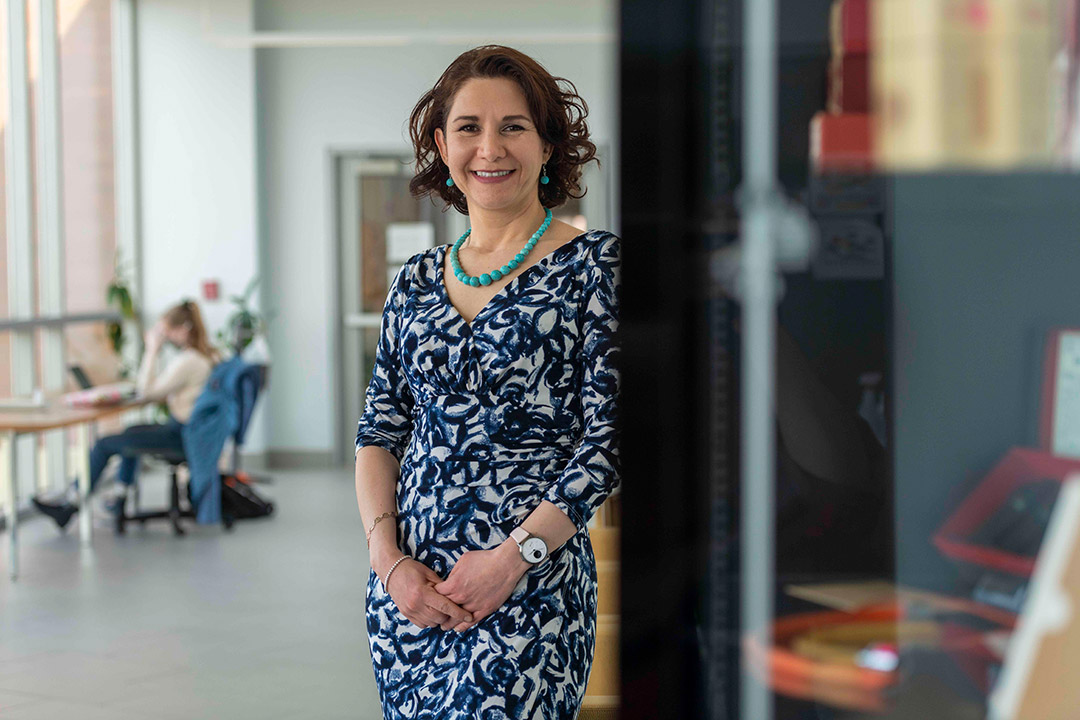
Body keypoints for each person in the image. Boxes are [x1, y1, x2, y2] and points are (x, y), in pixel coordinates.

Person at [354, 46, 620, 719]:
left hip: (529, 591)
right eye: (469, 127)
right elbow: (379, 431)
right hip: (410, 598)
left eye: (514, 126)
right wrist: (389, 564)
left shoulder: (597, 267)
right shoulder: (415, 279)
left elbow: (609, 441)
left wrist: (512, 557)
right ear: (442, 145)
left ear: (549, 143)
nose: (490, 147)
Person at [34, 300, 217, 529]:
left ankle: (70, 505)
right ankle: (119, 500)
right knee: (131, 433)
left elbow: (146, 392)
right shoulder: (204, 356)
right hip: (191, 432)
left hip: (182, 434)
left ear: (184, 330)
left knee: (103, 444)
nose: (163, 337)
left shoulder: (189, 361)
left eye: (165, 331)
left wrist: (151, 350)